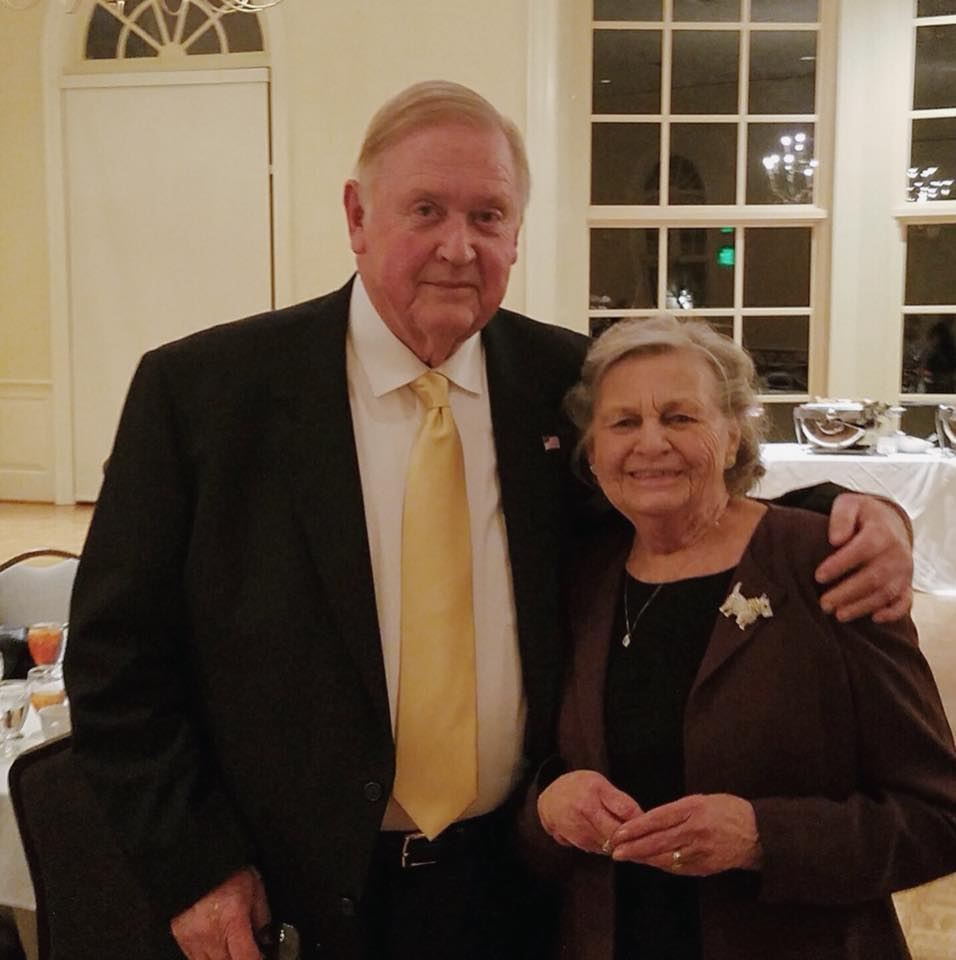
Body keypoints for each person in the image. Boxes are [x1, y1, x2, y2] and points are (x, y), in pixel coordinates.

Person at [65, 81, 913, 960]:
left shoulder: (568, 382)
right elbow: (115, 660)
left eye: (488, 216)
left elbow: (682, 505)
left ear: (515, 235)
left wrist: (850, 513)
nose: (458, 246)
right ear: (357, 216)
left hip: (521, 887)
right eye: (426, 210)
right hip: (292, 891)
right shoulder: (203, 394)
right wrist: (195, 867)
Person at [522, 315, 956, 960]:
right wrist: (547, 807)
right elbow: (537, 769)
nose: (650, 442)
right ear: (591, 452)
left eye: (680, 417)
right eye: (623, 422)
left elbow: (937, 817)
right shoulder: (583, 579)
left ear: (732, 437)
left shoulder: (828, 563)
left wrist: (762, 838)